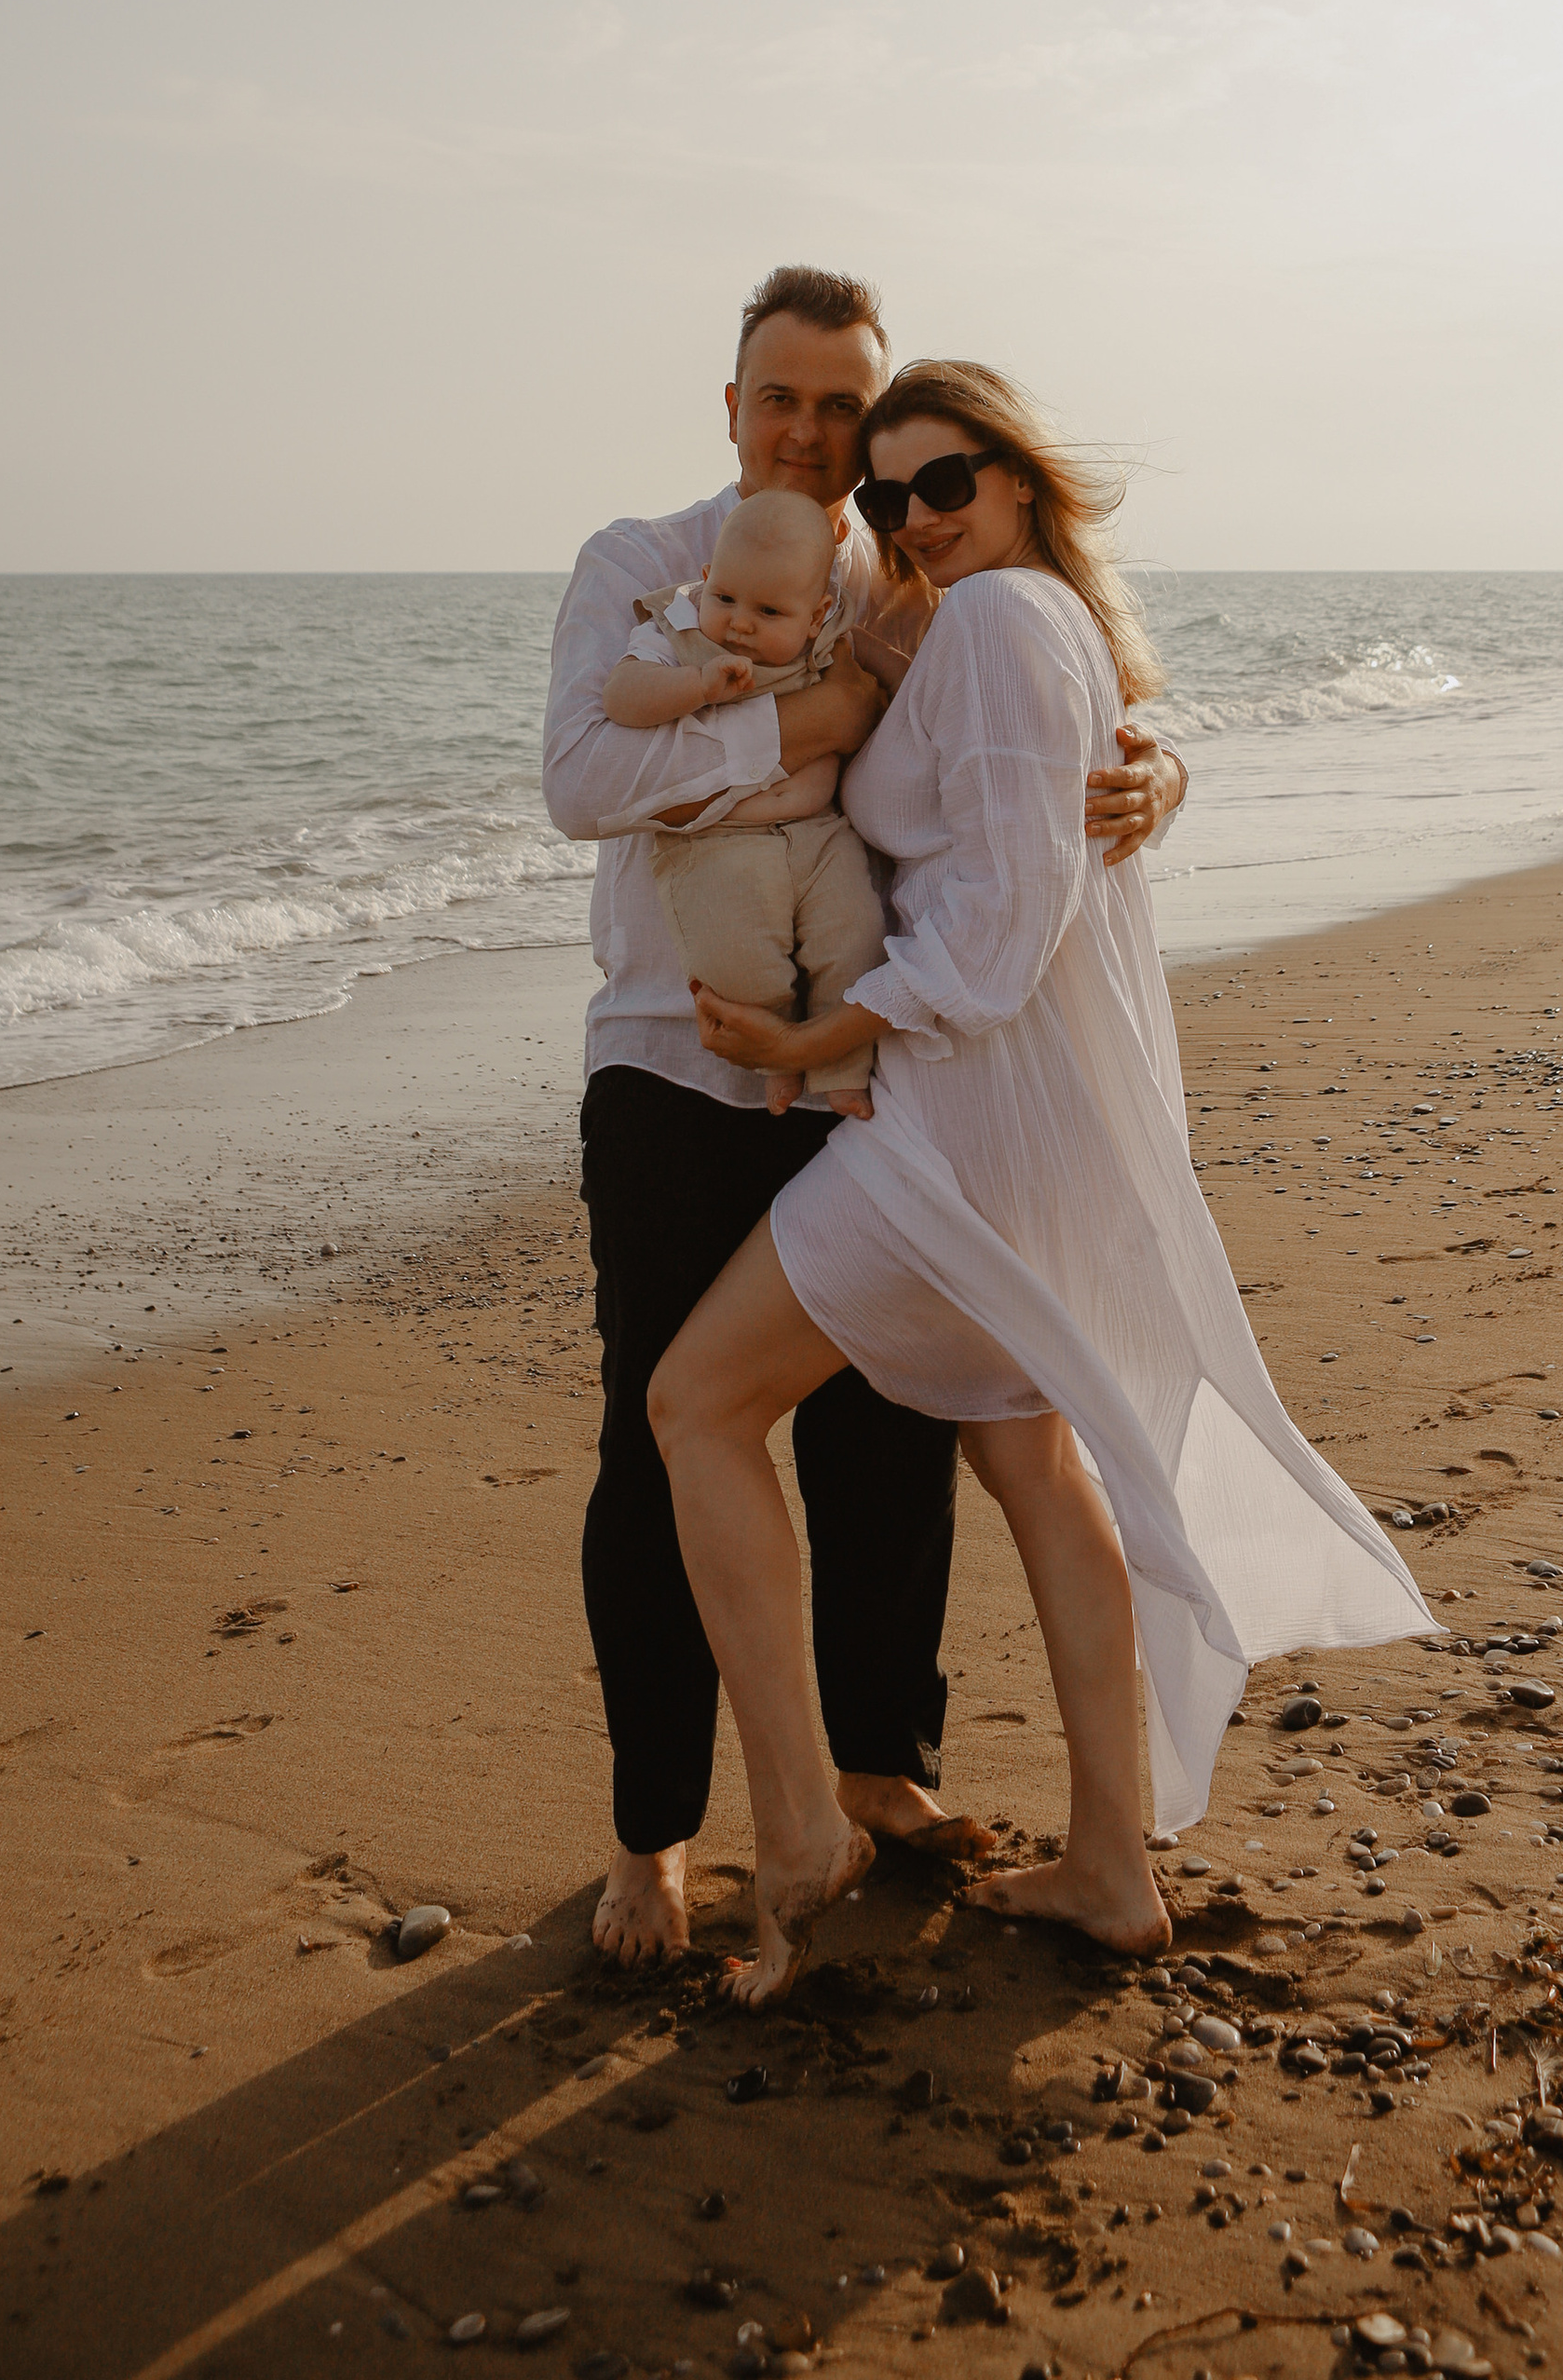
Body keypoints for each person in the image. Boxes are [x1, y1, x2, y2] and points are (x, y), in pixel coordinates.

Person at [648, 360, 1437, 2001]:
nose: (915, 518)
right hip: (1018, 1134)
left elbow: (997, 933)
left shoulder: (1006, 626)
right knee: (1037, 1465)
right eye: (888, 497)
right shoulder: (1018, 626)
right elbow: (1041, 829)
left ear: (1014, 479)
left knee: (696, 1404)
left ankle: (803, 1830)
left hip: (956, 1139)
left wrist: (813, 1046)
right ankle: (1111, 1867)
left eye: (945, 484)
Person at [541, 270, 1187, 1967]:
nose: (822, 441)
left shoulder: (920, 578)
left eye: (852, 413)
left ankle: (873, 1769)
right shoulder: (642, 567)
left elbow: (1043, 750)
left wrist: (1161, 776)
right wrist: (822, 716)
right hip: (674, 1064)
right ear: (732, 402)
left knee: (893, 1441)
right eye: (788, 401)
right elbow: (582, 786)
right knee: (658, 1443)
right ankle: (654, 1837)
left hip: (869, 1066)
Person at [600, 487, 884, 1115]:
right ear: (705, 579)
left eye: (771, 611)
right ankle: (772, 1064)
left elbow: (904, 677)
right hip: (716, 843)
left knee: (857, 936)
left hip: (820, 835)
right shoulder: (676, 629)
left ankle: (839, 1068)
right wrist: (694, 684)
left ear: (817, 614)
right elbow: (621, 696)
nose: (741, 623)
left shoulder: (833, 641)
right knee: (736, 963)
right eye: (724, 598)